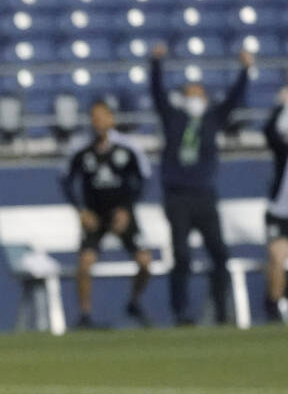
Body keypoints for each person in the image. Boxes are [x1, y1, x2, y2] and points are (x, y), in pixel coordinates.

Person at [150, 44, 252, 325]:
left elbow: (234, 99)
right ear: (183, 98)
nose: (196, 98)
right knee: (181, 255)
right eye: (190, 94)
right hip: (178, 196)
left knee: (219, 253)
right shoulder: (174, 118)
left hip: (204, 195)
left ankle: (221, 310)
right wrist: (155, 64)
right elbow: (157, 93)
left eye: (199, 94)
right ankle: (180, 312)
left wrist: (245, 70)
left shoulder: (212, 119)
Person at [60, 100, 153, 328]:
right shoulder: (81, 150)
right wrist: (81, 210)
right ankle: (84, 315)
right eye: (94, 117)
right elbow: (66, 181)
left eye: (103, 116)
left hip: (121, 213)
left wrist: (127, 209)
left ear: (112, 119)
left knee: (144, 261)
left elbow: (142, 180)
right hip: (95, 215)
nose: (98, 121)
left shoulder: (127, 148)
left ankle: (134, 301)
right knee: (85, 262)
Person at [261, 88, 288, 323]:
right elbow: (269, 131)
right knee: (278, 259)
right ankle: (273, 305)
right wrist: (281, 105)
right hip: (279, 213)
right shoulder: (283, 152)